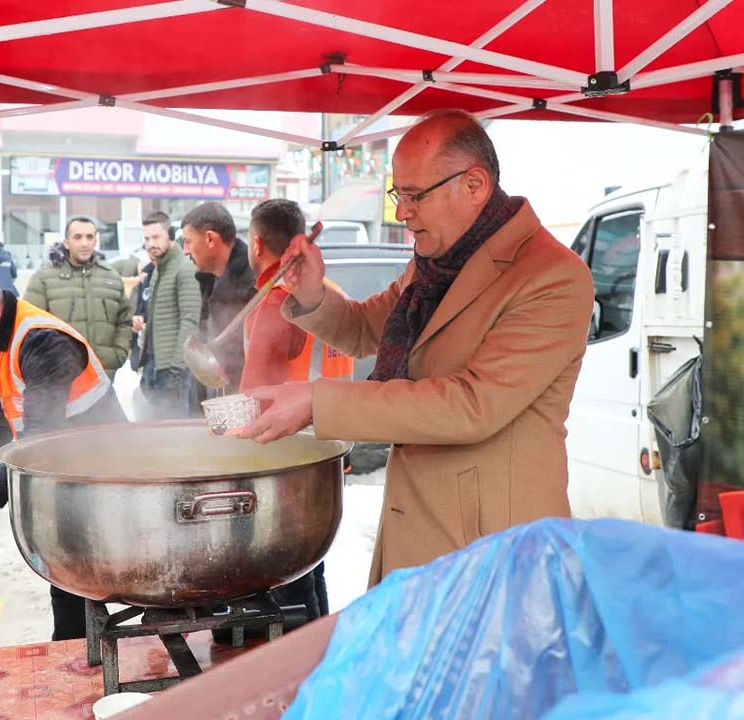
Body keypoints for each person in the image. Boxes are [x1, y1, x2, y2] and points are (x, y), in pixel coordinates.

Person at [235, 110, 594, 588]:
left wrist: (317, 402)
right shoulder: (435, 265)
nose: (402, 211)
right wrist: (313, 294)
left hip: (496, 550)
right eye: (397, 194)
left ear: (474, 184)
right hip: (423, 528)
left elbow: (472, 405)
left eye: (414, 196)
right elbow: (366, 329)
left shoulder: (551, 276)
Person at [0, 270, 125, 641]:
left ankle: (81, 650)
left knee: (90, 569)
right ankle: (73, 649)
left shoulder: (42, 340)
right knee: (66, 570)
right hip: (65, 470)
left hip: (105, 469)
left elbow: (40, 439)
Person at [239, 199, 355, 620]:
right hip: (332, 441)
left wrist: (220, 427)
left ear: (256, 243)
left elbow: (256, 393)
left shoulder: (274, 301)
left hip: (287, 452)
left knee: (286, 576)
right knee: (312, 561)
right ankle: (320, 649)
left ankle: (297, 667)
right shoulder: (327, 292)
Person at [25, 217, 134, 379]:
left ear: (95, 241)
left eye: (89, 237)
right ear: (66, 242)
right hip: (59, 379)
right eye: (78, 237)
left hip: (103, 376)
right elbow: (29, 326)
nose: (84, 243)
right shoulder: (44, 278)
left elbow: (124, 321)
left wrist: (117, 355)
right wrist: (47, 362)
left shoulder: (111, 277)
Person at [181, 202, 256, 398]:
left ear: (210, 239)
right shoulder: (209, 280)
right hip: (217, 399)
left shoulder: (253, 283)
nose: (185, 251)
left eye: (188, 241)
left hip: (243, 401)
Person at [136, 211, 201, 419]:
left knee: (175, 433)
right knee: (155, 431)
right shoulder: (158, 270)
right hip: (153, 366)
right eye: (146, 238)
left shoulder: (185, 268)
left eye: (156, 237)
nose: (150, 243)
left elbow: (190, 321)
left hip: (172, 369)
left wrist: (177, 370)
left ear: (170, 235)